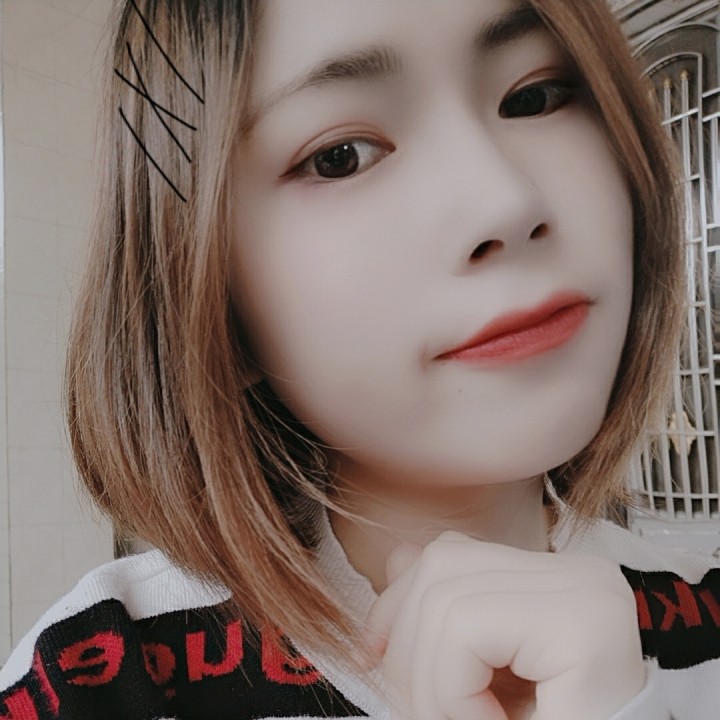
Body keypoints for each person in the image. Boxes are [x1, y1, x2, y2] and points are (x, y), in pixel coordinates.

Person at [1, 0, 719, 718]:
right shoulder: (97, 678)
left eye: (534, 97)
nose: (505, 202)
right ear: (210, 300)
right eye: (340, 157)